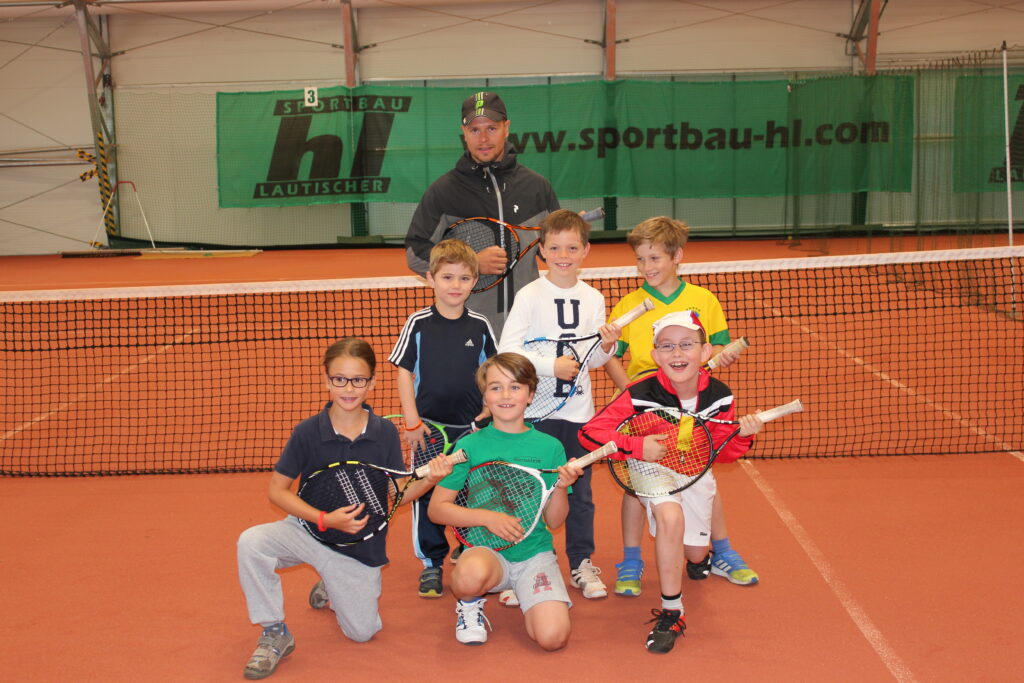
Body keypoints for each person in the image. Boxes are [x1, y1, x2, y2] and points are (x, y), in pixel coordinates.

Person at [236, 338, 454, 679]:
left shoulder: (384, 433)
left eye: (358, 380)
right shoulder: (308, 432)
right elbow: (277, 491)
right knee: (252, 543)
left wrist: (430, 480)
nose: (348, 388)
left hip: (357, 547)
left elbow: (396, 492)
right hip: (308, 531)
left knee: (363, 632)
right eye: (339, 379)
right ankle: (274, 631)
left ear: (372, 382)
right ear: (326, 380)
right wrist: (323, 518)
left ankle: (332, 582)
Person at [580, 311, 764, 653]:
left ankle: (700, 559)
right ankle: (672, 610)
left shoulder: (720, 396)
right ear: (655, 355)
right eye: (666, 346)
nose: (677, 353)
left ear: (705, 352)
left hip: (693, 470)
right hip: (650, 468)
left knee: (695, 553)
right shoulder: (640, 392)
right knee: (670, 516)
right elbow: (591, 432)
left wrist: (742, 436)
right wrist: (637, 446)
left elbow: (722, 455)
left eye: (686, 345)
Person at [603, 216, 756, 597]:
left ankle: (722, 551)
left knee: (701, 472)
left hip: (691, 408)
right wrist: (632, 394)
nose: (646, 267)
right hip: (645, 412)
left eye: (654, 258)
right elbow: (611, 355)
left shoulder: (704, 300)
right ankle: (631, 560)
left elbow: (716, 346)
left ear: (677, 257)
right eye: (640, 259)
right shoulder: (629, 304)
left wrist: (721, 354)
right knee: (636, 486)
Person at [497, 209, 620, 603]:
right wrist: (551, 366)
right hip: (535, 413)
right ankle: (523, 566)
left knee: (579, 494)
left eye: (571, 248)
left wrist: (607, 346)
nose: (563, 255)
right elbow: (507, 349)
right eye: (554, 248)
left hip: (578, 414)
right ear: (542, 252)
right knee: (531, 491)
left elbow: (594, 359)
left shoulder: (594, 297)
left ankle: (581, 563)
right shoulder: (529, 295)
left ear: (585, 250)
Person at [428, 353, 587, 650]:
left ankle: (525, 590)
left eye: (515, 387)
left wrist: (562, 487)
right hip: (486, 553)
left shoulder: (550, 447)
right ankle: (469, 606)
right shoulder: (469, 446)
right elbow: (437, 509)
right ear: (485, 397)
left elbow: (554, 521)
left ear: (530, 395)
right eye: (495, 387)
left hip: (534, 554)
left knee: (552, 638)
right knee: (468, 576)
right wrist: (488, 518)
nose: (505, 395)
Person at [389, 239, 497, 598]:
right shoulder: (418, 323)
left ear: (474, 282)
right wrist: (412, 422)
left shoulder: (480, 325)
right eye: (447, 277)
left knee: (468, 491)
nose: (455, 285)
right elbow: (403, 372)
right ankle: (431, 564)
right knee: (424, 494)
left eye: (464, 278)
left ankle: (467, 547)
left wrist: (488, 407)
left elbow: (492, 370)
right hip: (428, 430)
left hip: (470, 431)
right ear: (430, 279)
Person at [404, 90, 560, 338]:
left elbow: (553, 253)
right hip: (466, 328)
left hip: (528, 325)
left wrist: (568, 235)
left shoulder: (537, 187)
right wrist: (472, 264)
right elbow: (416, 253)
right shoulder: (443, 192)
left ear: (506, 128)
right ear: (464, 133)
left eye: (492, 128)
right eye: (475, 130)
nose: (483, 138)